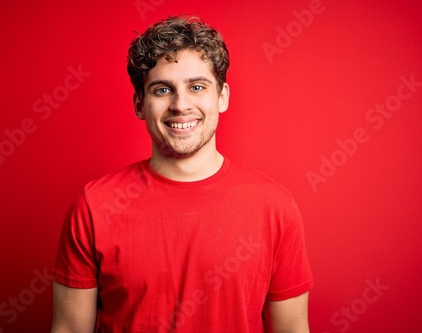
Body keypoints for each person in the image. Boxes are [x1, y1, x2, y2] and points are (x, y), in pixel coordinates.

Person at [51, 16, 313, 332]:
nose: (180, 104)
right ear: (139, 104)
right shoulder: (94, 206)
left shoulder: (275, 208)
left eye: (197, 86)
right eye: (163, 89)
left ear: (222, 97)